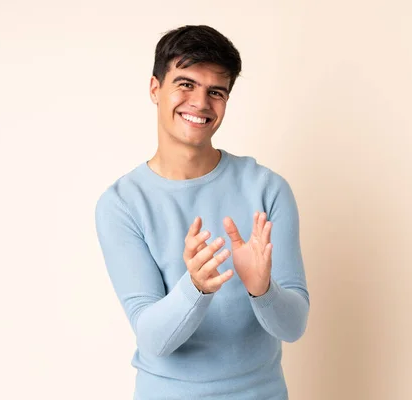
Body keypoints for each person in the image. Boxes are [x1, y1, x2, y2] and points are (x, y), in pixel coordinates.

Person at [95, 25, 309, 400]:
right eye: (186, 84)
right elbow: (152, 339)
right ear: (154, 89)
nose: (200, 102)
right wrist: (194, 287)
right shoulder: (122, 204)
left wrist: (262, 289)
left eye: (216, 91)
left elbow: (293, 327)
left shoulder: (268, 189)